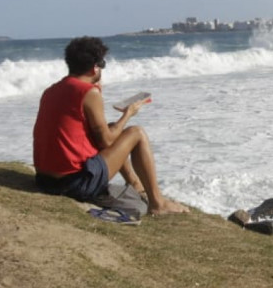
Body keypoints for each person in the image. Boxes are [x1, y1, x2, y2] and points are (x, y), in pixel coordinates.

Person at [33, 36, 188, 215]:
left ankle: (136, 185)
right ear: (95, 67)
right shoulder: (88, 92)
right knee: (136, 133)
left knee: (112, 127)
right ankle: (157, 203)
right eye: (102, 64)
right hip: (73, 184)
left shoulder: (51, 90)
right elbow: (107, 141)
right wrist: (128, 114)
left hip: (45, 180)